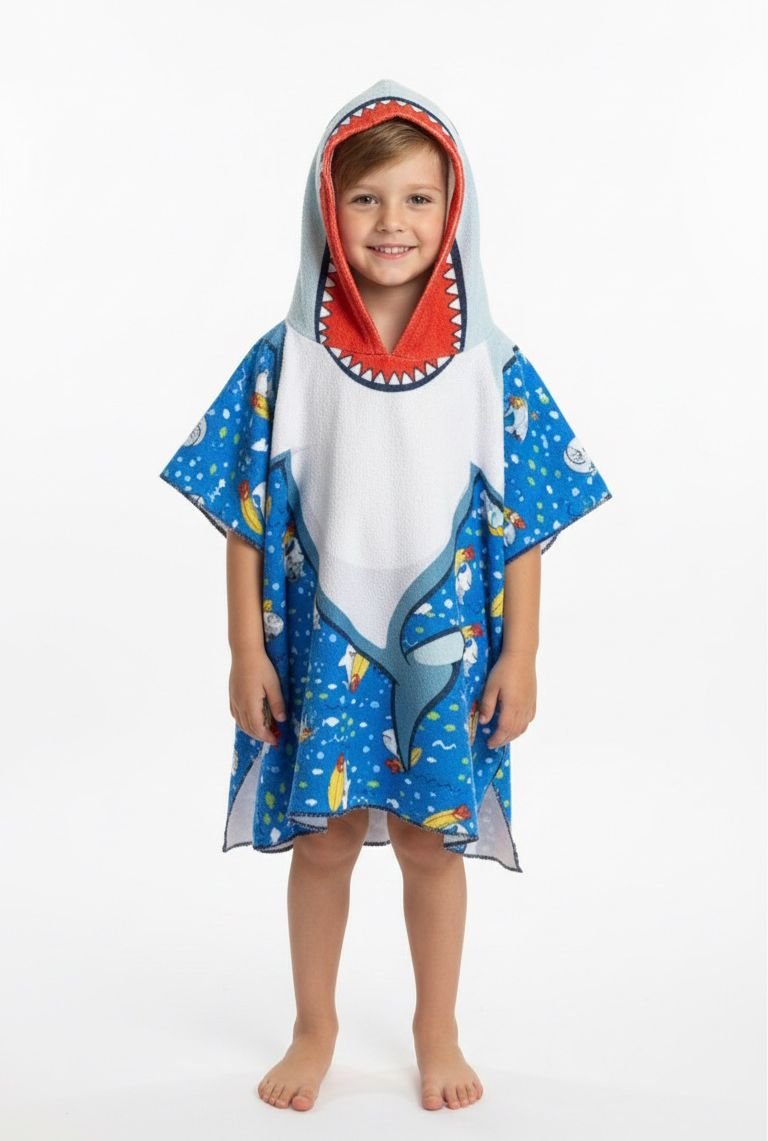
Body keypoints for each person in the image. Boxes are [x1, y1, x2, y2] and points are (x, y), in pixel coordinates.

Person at [158, 77, 612, 1113]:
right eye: (365, 198)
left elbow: (522, 521)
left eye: (417, 197)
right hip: (318, 652)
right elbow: (245, 514)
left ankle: (434, 1026)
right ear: (327, 207)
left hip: (446, 653)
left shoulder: (491, 366)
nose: (391, 221)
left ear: (454, 210)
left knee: (427, 840)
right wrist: (244, 650)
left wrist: (522, 654)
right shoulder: (289, 360)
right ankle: (313, 1025)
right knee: (323, 840)